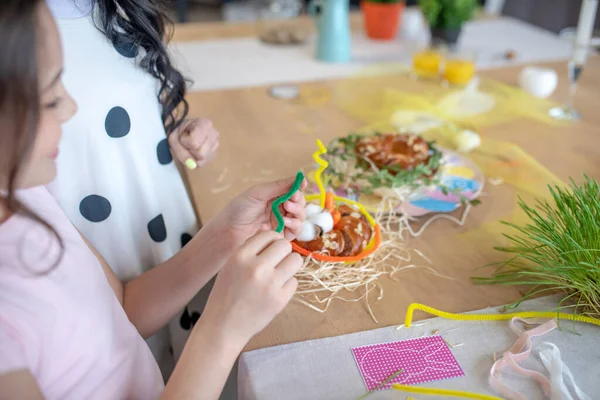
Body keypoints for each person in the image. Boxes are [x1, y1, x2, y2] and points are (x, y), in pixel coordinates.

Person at [0, 1, 306, 398]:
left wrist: (226, 235)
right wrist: (223, 330)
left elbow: (121, 311)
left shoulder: (25, 197)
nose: (71, 107)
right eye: (50, 98)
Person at [45, 0, 220, 372]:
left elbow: (122, 107)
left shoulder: (118, 7)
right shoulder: (18, 29)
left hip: (168, 238)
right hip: (100, 261)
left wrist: (177, 131)